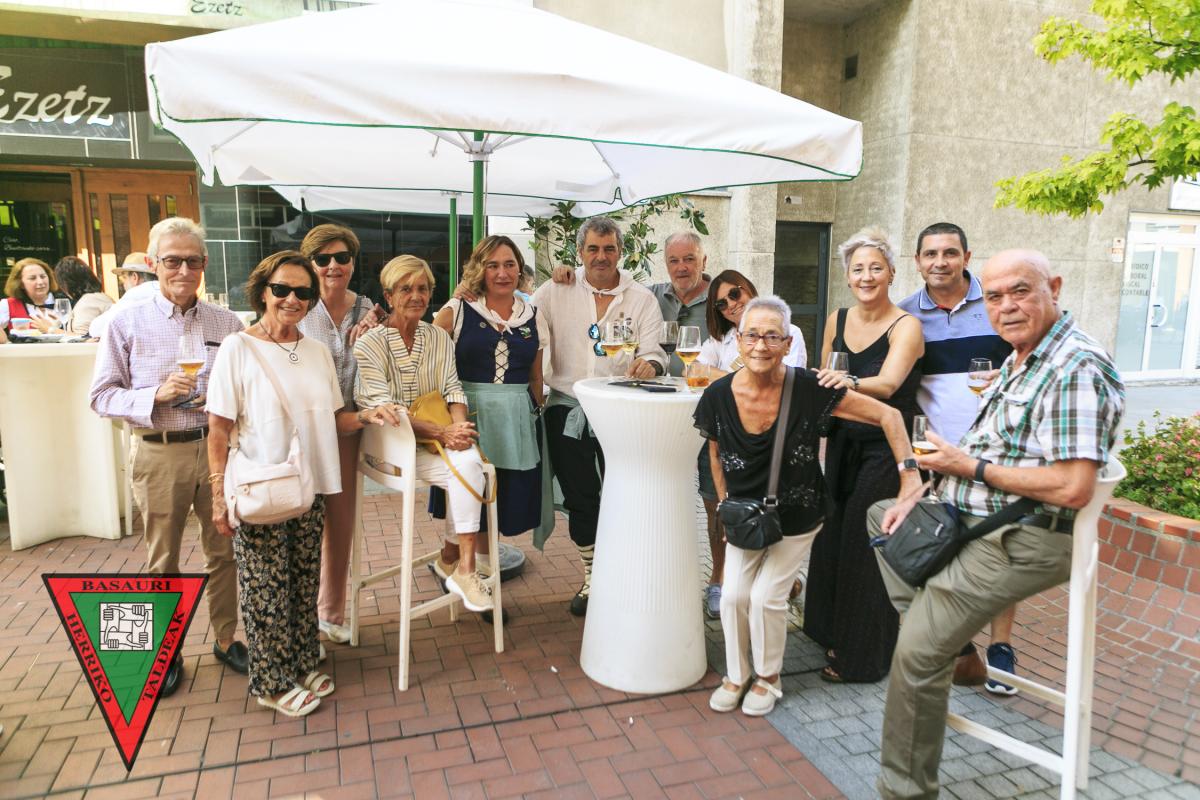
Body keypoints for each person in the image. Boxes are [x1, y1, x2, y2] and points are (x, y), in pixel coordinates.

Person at [869, 249, 1124, 799]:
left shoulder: (1073, 366)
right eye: (994, 296)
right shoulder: (1024, 356)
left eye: (1021, 291)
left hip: (1022, 535)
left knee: (915, 653)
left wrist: (969, 468)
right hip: (975, 517)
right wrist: (924, 488)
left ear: (1054, 288)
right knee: (881, 516)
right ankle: (959, 653)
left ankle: (904, 790)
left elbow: (1073, 486)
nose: (1006, 306)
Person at [695, 295, 919, 717]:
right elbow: (715, 452)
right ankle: (736, 675)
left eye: (772, 337)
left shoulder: (810, 388)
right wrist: (725, 506)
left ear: (787, 343)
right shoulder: (718, 394)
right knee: (734, 596)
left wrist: (909, 475)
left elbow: (889, 417)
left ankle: (769, 677)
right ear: (738, 341)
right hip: (746, 516)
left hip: (798, 513)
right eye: (752, 336)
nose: (761, 345)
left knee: (766, 597)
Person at [206, 250, 399, 717]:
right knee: (266, 589)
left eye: (303, 292)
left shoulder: (316, 352)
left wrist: (368, 415)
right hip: (262, 486)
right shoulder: (238, 347)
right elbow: (217, 428)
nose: (292, 299)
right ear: (262, 292)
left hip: (308, 485)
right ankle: (271, 682)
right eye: (282, 289)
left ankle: (301, 658)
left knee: (301, 580)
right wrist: (217, 496)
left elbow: (335, 418)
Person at [89, 217, 247, 696]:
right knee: (163, 560)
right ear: (153, 263)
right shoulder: (125, 321)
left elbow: (244, 386)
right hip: (159, 452)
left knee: (224, 551)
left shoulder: (226, 323)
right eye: (173, 260)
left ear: (204, 264)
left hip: (217, 451)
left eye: (192, 261)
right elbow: (100, 396)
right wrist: (153, 395)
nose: (183, 270)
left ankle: (225, 638)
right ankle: (166, 651)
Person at [897, 222, 1018, 693]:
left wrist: (1006, 379)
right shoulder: (906, 315)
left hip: (996, 450)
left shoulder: (997, 304)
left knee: (1002, 548)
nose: (940, 262)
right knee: (943, 549)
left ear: (967, 257)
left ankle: (1001, 646)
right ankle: (961, 646)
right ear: (917, 261)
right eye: (930, 254)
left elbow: (1027, 358)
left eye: (950, 252)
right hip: (937, 455)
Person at [803, 227, 923, 683]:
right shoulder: (836, 318)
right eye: (858, 269)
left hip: (885, 448)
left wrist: (846, 382)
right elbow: (824, 374)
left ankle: (864, 658)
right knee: (832, 534)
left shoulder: (906, 325)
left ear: (891, 272)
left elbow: (888, 385)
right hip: (842, 443)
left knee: (864, 544)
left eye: (876, 267)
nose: (866, 276)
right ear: (847, 276)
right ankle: (829, 630)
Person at [531, 216, 667, 616]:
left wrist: (651, 365)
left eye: (609, 249)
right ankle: (593, 577)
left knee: (625, 493)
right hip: (567, 408)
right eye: (593, 248)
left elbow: (655, 352)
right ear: (580, 252)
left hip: (623, 409)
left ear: (621, 252)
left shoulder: (641, 299)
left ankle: (625, 573)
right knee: (581, 497)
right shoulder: (554, 291)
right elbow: (522, 323)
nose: (601, 256)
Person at [354, 255, 494, 612]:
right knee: (468, 469)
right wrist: (443, 432)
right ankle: (453, 562)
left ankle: (464, 567)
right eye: (405, 289)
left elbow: (452, 389)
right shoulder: (369, 344)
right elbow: (385, 408)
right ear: (388, 296)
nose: (416, 296)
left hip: (435, 442)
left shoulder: (438, 337)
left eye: (422, 288)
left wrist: (459, 429)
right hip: (388, 449)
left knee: (470, 464)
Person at [431, 235, 547, 576]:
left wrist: (534, 415)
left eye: (509, 264)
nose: (502, 273)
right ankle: (471, 568)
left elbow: (535, 377)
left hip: (514, 418)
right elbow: (430, 359)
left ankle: (471, 564)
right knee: (472, 492)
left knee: (500, 497)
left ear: (519, 269)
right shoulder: (457, 310)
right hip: (469, 414)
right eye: (492, 265)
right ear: (479, 270)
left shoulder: (533, 315)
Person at [695, 269, 807, 620]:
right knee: (718, 511)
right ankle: (719, 579)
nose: (730, 304)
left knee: (771, 513)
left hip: (770, 443)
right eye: (721, 303)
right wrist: (742, 377)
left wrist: (722, 378)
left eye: (735, 293)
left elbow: (783, 381)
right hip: (724, 439)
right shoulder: (721, 340)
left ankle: (780, 581)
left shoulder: (788, 332)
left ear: (750, 290)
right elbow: (693, 371)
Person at [296, 223, 381, 645]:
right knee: (299, 520)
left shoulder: (368, 309)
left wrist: (378, 331)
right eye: (323, 258)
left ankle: (329, 611)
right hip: (302, 429)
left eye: (342, 258)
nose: (333, 266)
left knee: (340, 522)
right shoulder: (296, 305)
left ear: (352, 262)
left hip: (347, 427)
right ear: (310, 264)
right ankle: (298, 616)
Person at [551, 231, 711, 376]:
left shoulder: (720, 301)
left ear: (704, 262)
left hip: (705, 390)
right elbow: (614, 285)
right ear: (666, 265)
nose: (681, 267)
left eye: (689, 259)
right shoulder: (651, 296)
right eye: (674, 261)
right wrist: (572, 274)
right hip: (663, 392)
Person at [88, 252, 160, 339]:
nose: (123, 284)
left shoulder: (135, 294)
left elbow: (96, 328)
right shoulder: (165, 291)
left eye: (123, 278)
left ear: (134, 277)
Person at [53, 256, 113, 336]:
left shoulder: (88, 302)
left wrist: (51, 330)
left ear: (66, 283)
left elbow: (84, 339)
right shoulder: (100, 297)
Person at [2, 257, 61, 334]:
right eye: (32, 278)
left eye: (43, 276)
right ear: (20, 284)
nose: (40, 282)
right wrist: (5, 340)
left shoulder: (65, 301)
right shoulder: (9, 304)